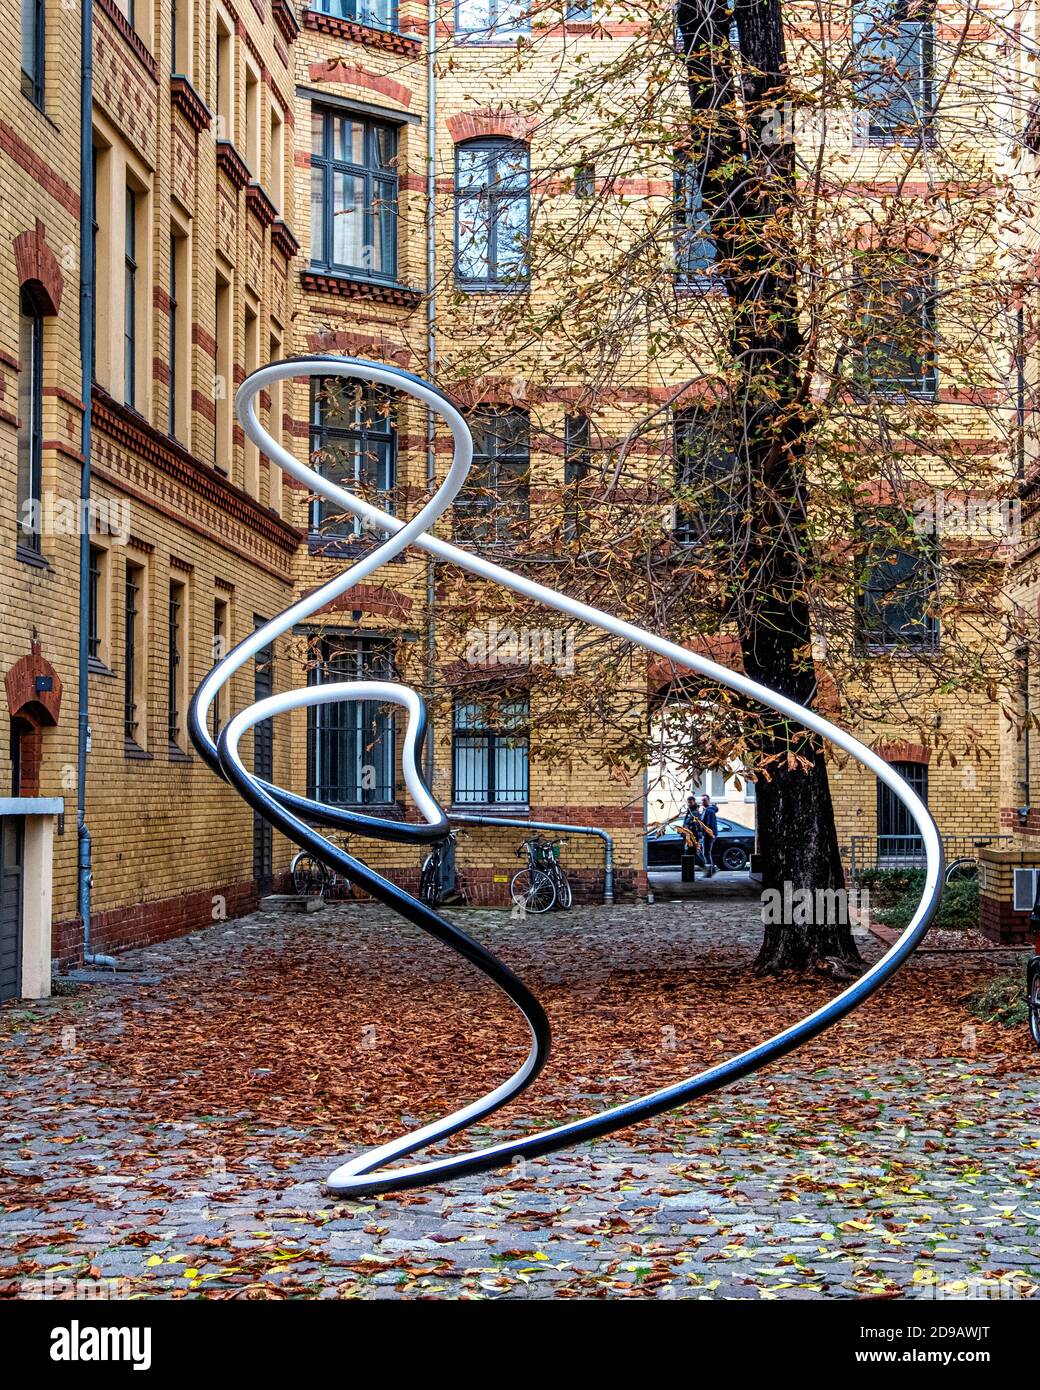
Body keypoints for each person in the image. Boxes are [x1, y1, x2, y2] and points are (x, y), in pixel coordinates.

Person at [699, 793, 719, 875]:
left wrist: (705, 834)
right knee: (706, 853)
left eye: (705, 800)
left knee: (706, 853)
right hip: (708, 835)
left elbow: (709, 824)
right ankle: (712, 869)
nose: (703, 802)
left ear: (709, 801)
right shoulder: (706, 810)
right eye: (702, 800)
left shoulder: (709, 811)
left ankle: (710, 871)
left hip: (708, 835)